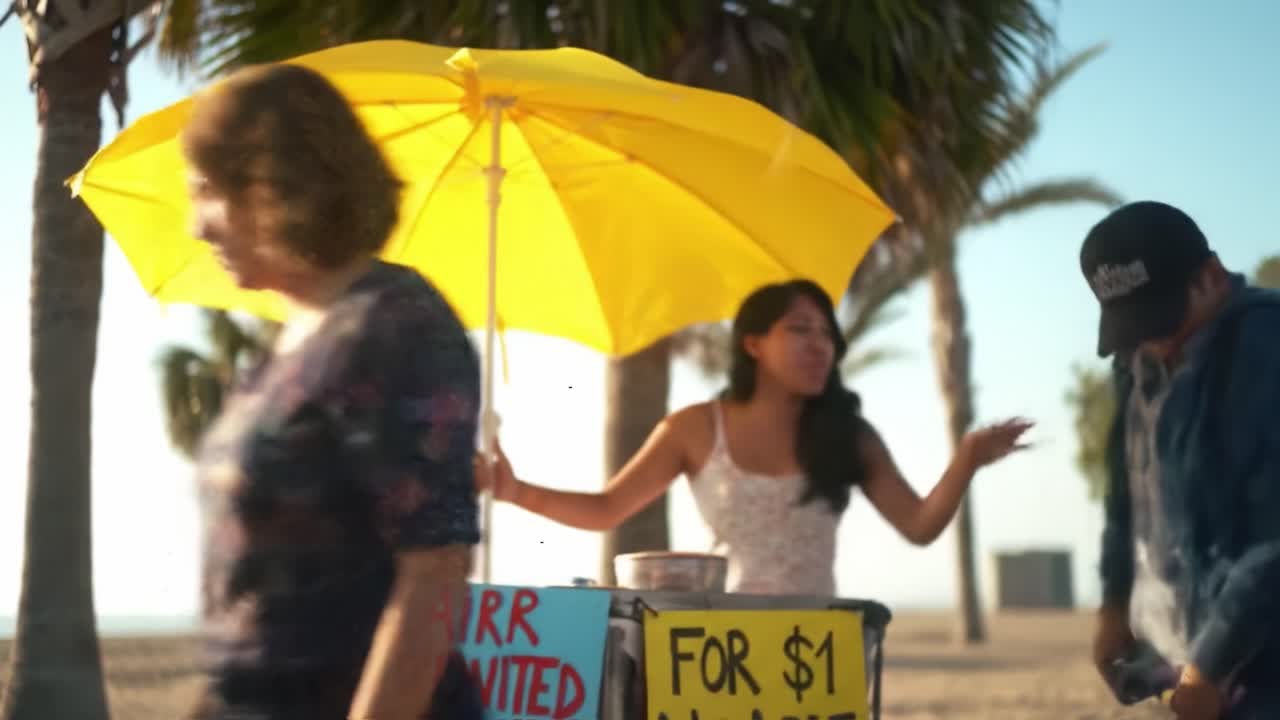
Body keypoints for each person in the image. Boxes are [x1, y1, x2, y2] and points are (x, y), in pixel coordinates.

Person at [179, 64, 483, 720]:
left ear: (276, 187)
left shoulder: (396, 324)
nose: (196, 227)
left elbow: (433, 574)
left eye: (207, 191)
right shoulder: (298, 337)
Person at [475, 279, 1033, 596]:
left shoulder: (849, 435)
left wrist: (965, 461)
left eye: (827, 335)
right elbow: (607, 508)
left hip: (819, 648)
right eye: (799, 330)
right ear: (753, 344)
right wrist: (516, 490)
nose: (821, 346)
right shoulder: (695, 427)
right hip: (721, 651)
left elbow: (918, 525)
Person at [1084, 201, 1280, 719]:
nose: (1155, 342)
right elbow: (1123, 497)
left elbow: (1272, 539)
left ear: (1211, 277)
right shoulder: (1134, 359)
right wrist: (1112, 605)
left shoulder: (1267, 347)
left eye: (1165, 319)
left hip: (1256, 680)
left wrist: (1211, 666)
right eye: (1134, 327)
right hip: (1176, 674)